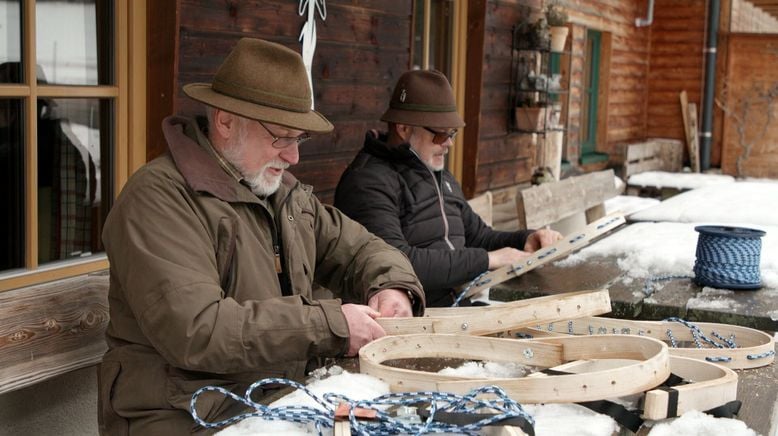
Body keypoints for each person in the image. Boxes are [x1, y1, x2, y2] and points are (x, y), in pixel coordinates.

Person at [98, 38, 424, 435]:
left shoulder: (281, 193)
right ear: (225, 121)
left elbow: (359, 249)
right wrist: (332, 325)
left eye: (298, 139)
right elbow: (197, 330)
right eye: (281, 137)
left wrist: (393, 287)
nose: (294, 157)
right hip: (186, 415)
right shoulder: (159, 198)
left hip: (271, 399)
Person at [334, 69, 561, 307]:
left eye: (452, 133)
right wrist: (486, 260)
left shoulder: (438, 174)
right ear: (403, 129)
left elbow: (478, 236)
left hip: (458, 304)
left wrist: (524, 239)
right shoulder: (367, 183)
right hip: (410, 319)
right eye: (441, 135)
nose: (449, 143)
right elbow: (397, 262)